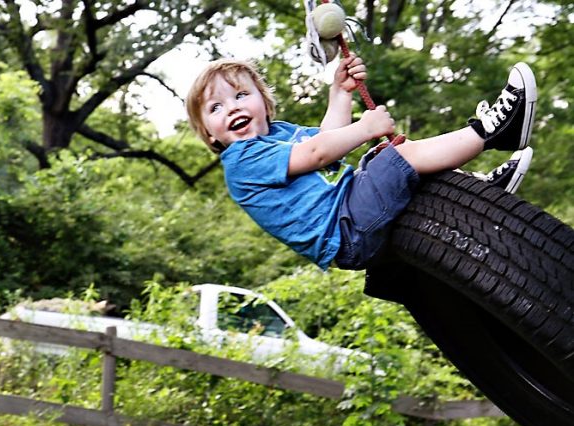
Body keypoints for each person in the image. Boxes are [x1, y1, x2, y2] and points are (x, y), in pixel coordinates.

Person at [185, 56, 537, 270]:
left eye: (241, 95)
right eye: (215, 107)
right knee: (399, 157)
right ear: (210, 134)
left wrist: (340, 92)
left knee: (384, 157)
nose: (231, 107)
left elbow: (326, 140)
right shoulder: (242, 160)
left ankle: (475, 194)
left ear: (263, 101)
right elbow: (316, 154)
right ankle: (493, 133)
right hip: (345, 232)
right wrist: (366, 127)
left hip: (351, 207)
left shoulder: (281, 133)